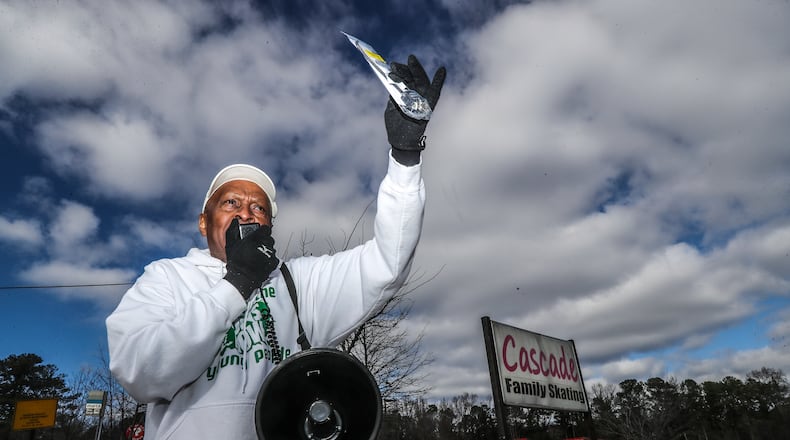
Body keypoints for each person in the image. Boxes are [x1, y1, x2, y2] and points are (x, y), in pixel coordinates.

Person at [106, 55, 446, 440]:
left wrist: (405, 158)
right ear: (204, 220)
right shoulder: (166, 277)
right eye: (231, 203)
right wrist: (237, 283)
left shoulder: (297, 281)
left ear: (270, 224)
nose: (246, 214)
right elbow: (140, 371)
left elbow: (388, 262)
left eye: (258, 208)